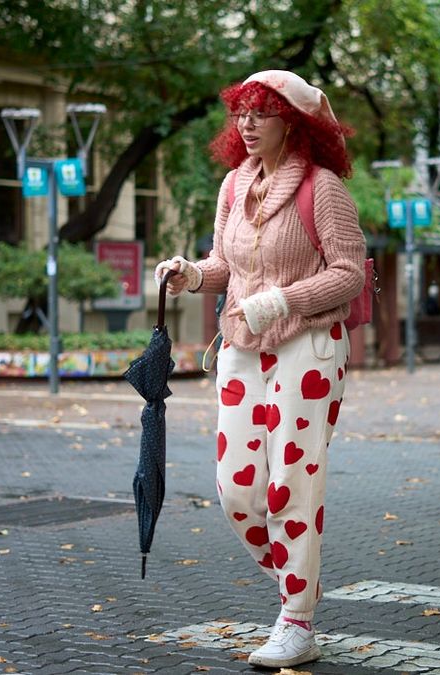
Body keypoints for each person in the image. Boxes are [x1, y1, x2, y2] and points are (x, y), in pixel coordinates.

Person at [154, 70, 364, 669]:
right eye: (240, 113)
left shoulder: (323, 190)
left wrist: (283, 299)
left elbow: (349, 272)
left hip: (309, 346)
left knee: (289, 487)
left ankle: (297, 622)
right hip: (243, 345)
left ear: (292, 122)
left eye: (261, 114)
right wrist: (193, 275)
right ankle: (298, 583)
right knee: (236, 490)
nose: (246, 124)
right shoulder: (232, 184)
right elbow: (226, 263)